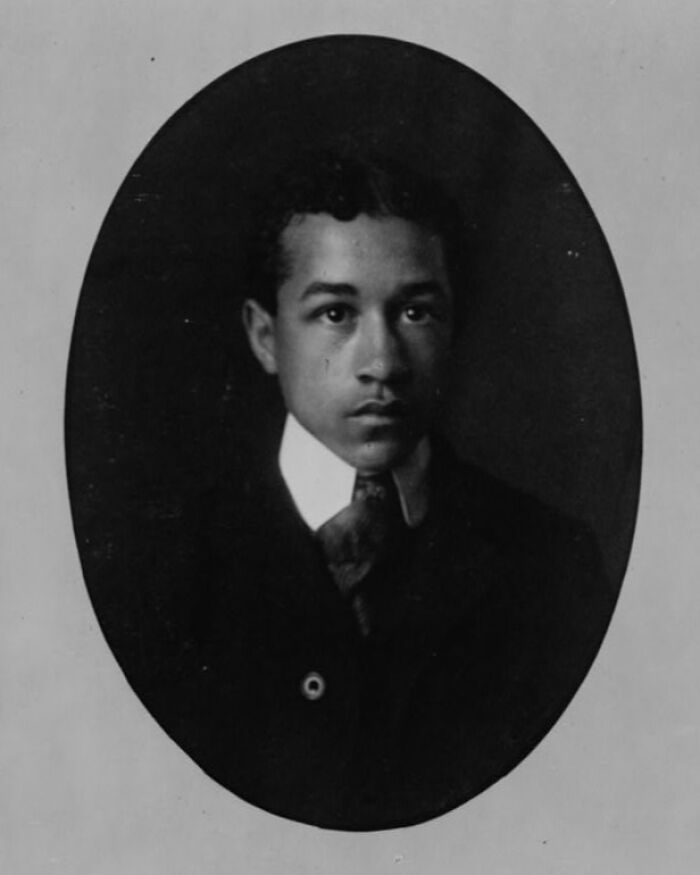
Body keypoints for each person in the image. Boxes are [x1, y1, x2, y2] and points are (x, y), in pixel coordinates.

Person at [151, 152, 612, 830]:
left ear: (454, 327)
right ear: (264, 336)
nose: (383, 363)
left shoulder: (550, 562)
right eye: (336, 312)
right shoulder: (166, 564)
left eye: (416, 312)